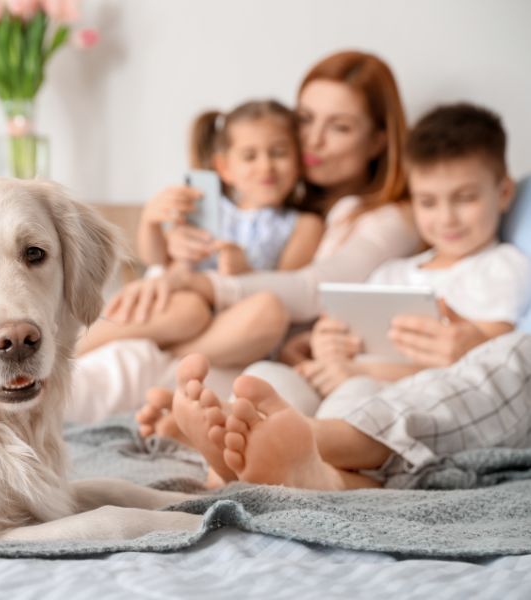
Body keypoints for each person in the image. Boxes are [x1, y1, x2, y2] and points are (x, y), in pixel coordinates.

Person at [164, 102, 531, 490]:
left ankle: (299, 457)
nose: (447, 218)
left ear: (504, 193)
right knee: (267, 377)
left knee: (359, 394)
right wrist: (323, 343)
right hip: (341, 380)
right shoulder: (393, 271)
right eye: (428, 202)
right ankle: (232, 466)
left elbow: (482, 371)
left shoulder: (503, 267)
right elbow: (339, 330)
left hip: (391, 395)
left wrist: (357, 371)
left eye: (465, 198)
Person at [70, 50, 422, 423]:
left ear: (378, 141)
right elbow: (171, 255)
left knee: (152, 357)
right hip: (201, 327)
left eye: (340, 127)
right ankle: (78, 352)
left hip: (250, 347)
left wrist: (199, 281)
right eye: (305, 120)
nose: (313, 141)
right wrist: (165, 247)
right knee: (135, 349)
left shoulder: (389, 219)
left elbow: (309, 288)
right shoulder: (275, 200)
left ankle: (151, 358)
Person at [76, 99, 324, 357]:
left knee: (265, 310)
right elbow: (157, 258)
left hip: (235, 322)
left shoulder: (304, 225)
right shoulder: (206, 206)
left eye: (279, 153)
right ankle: (75, 349)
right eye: (250, 156)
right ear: (225, 168)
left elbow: (289, 291)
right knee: (188, 310)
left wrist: (245, 271)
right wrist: (151, 222)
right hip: (183, 311)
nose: (266, 166)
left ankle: (171, 357)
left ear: (299, 160)